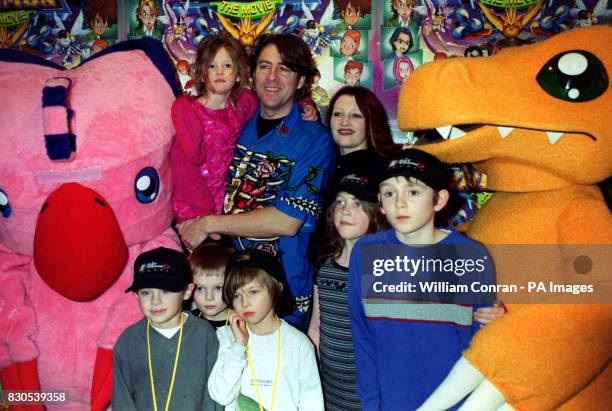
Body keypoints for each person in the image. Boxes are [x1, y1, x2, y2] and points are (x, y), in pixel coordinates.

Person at [179, 34, 336, 330]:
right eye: (264, 66)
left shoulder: (315, 139)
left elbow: (287, 221)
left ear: (301, 81)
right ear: (251, 74)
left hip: (280, 293)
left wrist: (208, 223)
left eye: (285, 69)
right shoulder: (239, 119)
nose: (272, 77)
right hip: (225, 291)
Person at [348, 149, 504, 409]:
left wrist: (497, 323)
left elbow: (481, 345)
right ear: (379, 201)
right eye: (389, 193)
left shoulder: (469, 255)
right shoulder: (366, 253)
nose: (399, 203)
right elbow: (362, 338)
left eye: (413, 192)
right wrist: (371, 405)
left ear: (439, 199)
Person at [171, 33, 319, 223]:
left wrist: (305, 104)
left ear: (239, 72)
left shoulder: (243, 102)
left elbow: (279, 99)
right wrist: (203, 211)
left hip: (225, 205)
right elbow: (182, 169)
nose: (219, 72)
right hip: (192, 206)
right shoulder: (189, 111)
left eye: (227, 66)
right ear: (201, 70)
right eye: (212, 66)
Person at [308, 165, 387, 410]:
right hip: (330, 387)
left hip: (372, 389)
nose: (345, 210)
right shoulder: (324, 261)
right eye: (340, 202)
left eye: (357, 204)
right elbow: (316, 325)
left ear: (375, 213)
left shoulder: (386, 268)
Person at [208, 250, 324, 410]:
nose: (244, 302)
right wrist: (239, 347)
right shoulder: (225, 337)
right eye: (236, 295)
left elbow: (313, 404)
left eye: (253, 292)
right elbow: (221, 396)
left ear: (277, 289)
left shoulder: (298, 343)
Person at [112, 247, 221, 410]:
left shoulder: (204, 333)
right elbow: (122, 399)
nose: (156, 301)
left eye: (165, 290)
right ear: (136, 295)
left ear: (187, 291)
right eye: (146, 292)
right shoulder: (128, 340)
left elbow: (213, 394)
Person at [189, 242, 233, 329]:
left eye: (218, 288)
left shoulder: (242, 323)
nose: (209, 297)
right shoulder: (187, 322)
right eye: (200, 288)